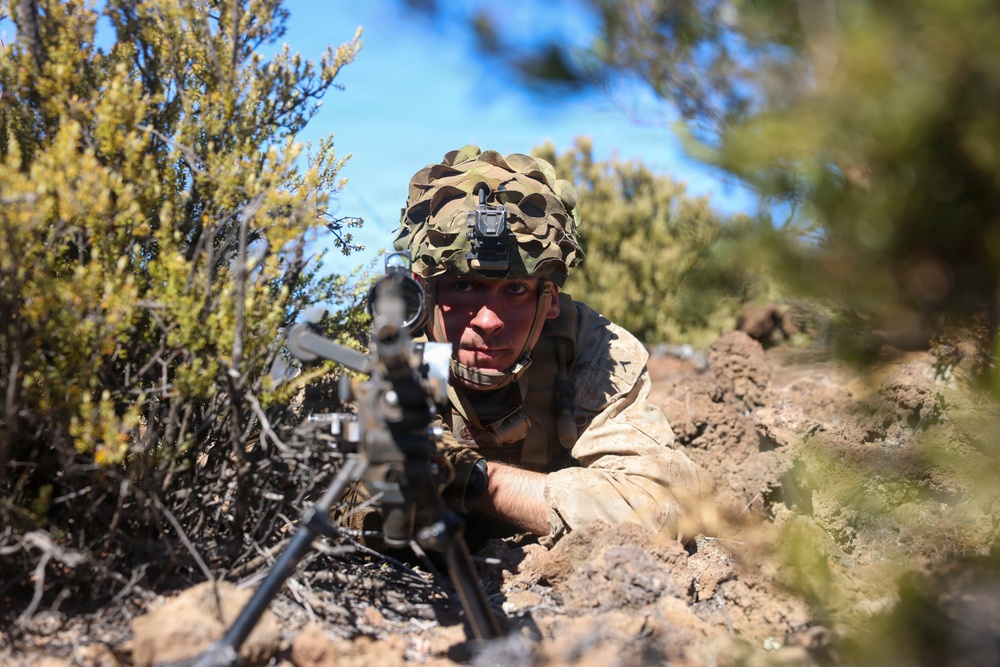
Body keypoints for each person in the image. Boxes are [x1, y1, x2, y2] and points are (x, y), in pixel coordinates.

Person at [389, 145, 699, 548]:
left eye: (516, 289)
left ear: (550, 298)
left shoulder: (592, 348)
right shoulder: (391, 348)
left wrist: (477, 479)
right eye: (463, 286)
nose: (488, 320)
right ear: (421, 291)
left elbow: (662, 503)